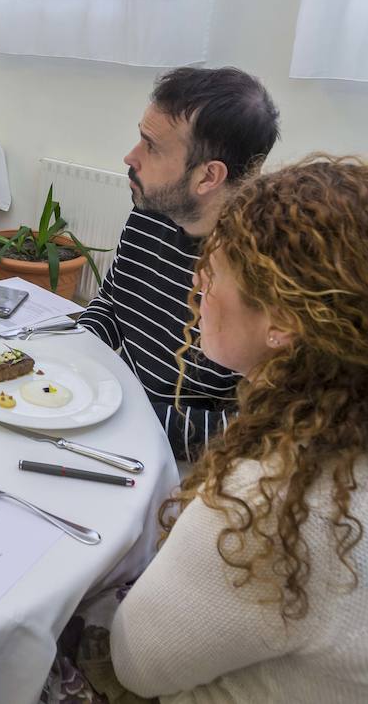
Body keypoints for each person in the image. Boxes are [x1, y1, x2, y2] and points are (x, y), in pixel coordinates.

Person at [65, 157, 368, 703]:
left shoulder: (276, 501)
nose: (198, 282)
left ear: (281, 323)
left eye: (215, 271)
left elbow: (136, 665)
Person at [78, 67, 279, 462]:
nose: (130, 157)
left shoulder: (258, 272)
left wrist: (124, 419)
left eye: (151, 147)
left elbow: (257, 426)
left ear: (208, 177)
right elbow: (113, 304)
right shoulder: (153, 210)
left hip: (184, 464)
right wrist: (70, 356)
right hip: (116, 416)